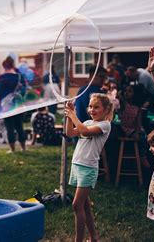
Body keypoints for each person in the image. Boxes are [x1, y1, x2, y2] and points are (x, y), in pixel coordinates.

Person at [64, 93, 112, 242]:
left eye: (96, 107)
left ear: (106, 110)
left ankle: (78, 240)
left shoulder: (105, 125)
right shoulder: (86, 122)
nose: (92, 109)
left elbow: (84, 132)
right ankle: (94, 237)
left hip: (88, 168)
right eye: (90, 106)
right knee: (85, 206)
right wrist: (69, 116)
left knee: (76, 205)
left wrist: (73, 115)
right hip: (77, 165)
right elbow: (70, 132)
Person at [0, 56, 27, 153]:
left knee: (9, 127)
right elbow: (24, 91)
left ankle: (12, 149)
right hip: (18, 104)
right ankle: (23, 148)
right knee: (20, 126)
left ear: (4, 66)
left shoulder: (1, 78)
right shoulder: (19, 77)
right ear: (13, 65)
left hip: (6, 106)